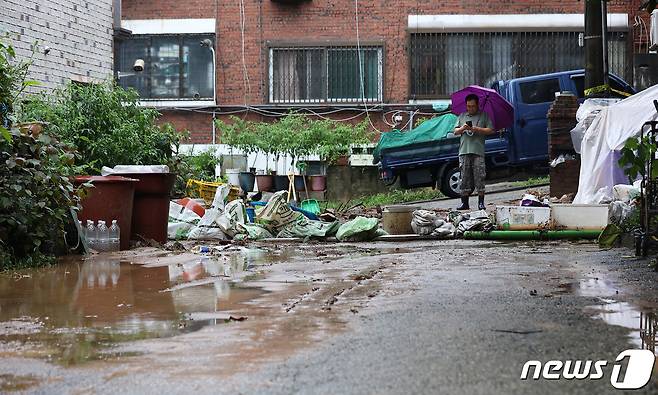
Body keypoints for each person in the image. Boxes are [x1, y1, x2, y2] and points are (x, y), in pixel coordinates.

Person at [453, 94, 494, 211]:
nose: (470, 108)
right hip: (464, 151)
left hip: (478, 151)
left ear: (477, 105)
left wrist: (476, 129)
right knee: (465, 177)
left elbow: (490, 130)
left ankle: (481, 202)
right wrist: (463, 128)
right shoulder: (462, 116)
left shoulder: (484, 116)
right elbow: (455, 131)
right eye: (468, 106)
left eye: (473, 106)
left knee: (480, 176)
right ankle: (464, 202)